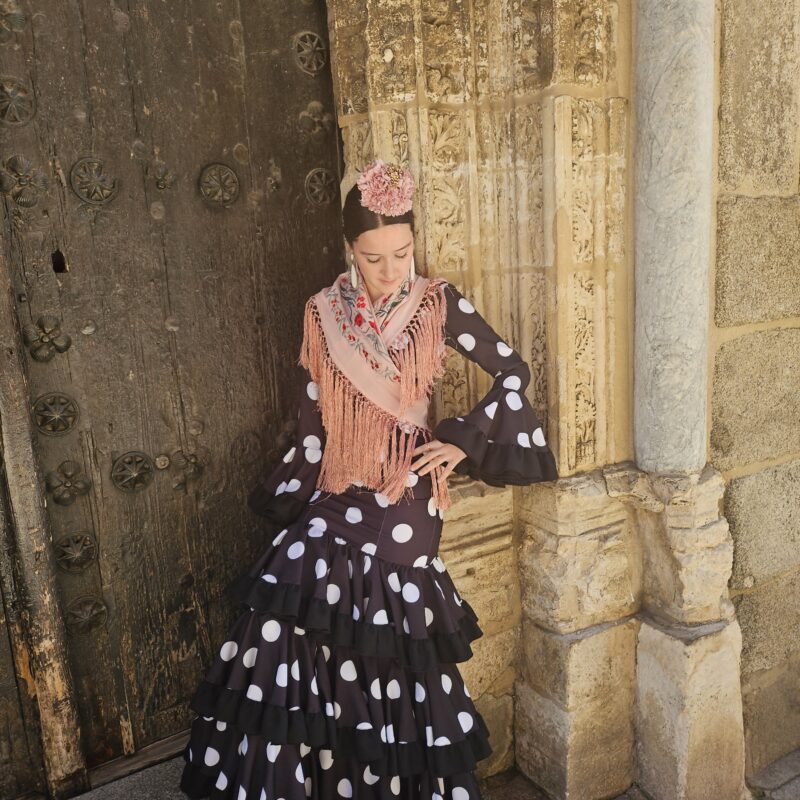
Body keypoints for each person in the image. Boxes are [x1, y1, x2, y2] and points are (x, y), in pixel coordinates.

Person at [179, 159, 558, 799]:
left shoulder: (439, 303)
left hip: (407, 498)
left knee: (387, 639)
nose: (391, 272)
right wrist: (297, 496)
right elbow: (309, 418)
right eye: (375, 258)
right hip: (338, 489)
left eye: (402, 254)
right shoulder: (322, 312)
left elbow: (514, 373)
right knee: (285, 599)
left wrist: (461, 441)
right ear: (350, 252)